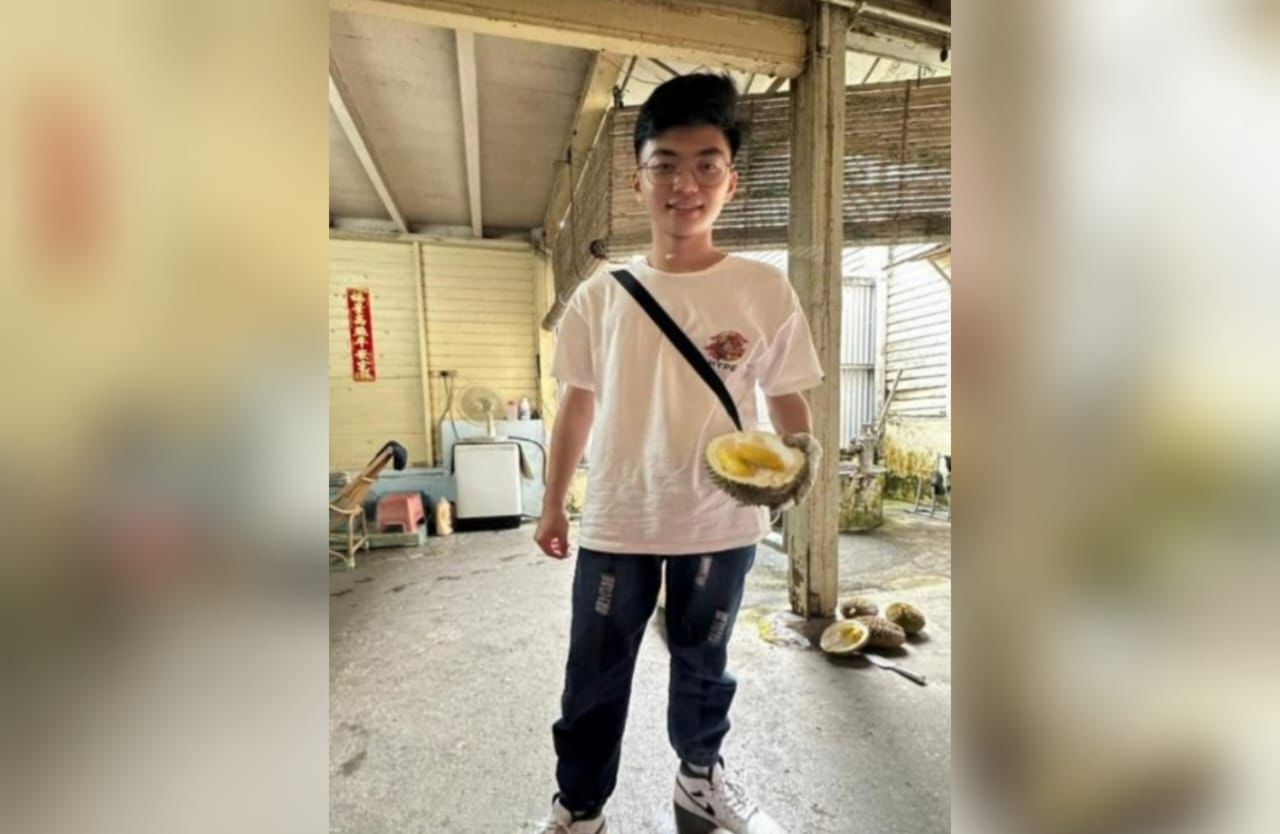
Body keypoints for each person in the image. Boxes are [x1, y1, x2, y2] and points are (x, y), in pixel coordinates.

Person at [528, 73, 824, 834]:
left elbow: (787, 395)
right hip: (620, 516)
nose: (684, 185)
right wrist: (553, 503)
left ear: (731, 181)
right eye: (664, 164)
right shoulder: (600, 295)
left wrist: (799, 462)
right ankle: (579, 808)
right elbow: (576, 404)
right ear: (638, 180)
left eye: (705, 164)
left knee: (704, 664)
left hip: (720, 520)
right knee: (594, 676)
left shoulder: (763, 288)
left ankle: (699, 781)